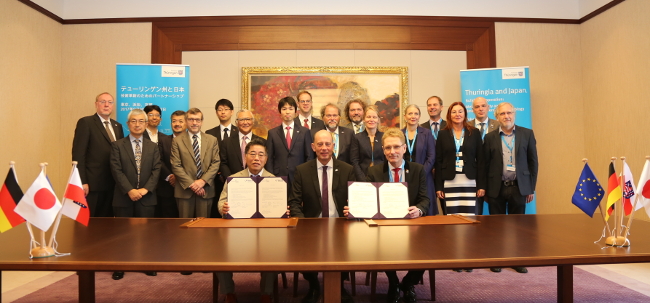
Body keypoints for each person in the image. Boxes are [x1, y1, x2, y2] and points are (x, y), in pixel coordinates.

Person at [346, 127, 428, 303]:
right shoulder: (374, 171)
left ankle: (408, 283)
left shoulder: (417, 170)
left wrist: (418, 210)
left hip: (411, 225)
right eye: (388, 148)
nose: (393, 152)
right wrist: (353, 208)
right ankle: (393, 282)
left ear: (404, 148)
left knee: (427, 251)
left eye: (396, 147)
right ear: (383, 150)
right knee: (382, 247)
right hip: (383, 227)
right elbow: (366, 198)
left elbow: (425, 199)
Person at [289, 130, 356, 303]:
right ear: (313, 147)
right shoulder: (302, 171)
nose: (324, 148)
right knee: (304, 242)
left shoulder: (348, 170)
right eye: (320, 144)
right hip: (311, 225)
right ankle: (313, 285)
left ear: (333, 146)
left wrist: (353, 211)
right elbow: (294, 202)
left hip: (341, 225)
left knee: (347, 242)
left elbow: (355, 200)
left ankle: (340, 286)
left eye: (328, 144)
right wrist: (303, 225)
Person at [217, 138, 279, 303]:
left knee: (273, 252)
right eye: (252, 154)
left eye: (261, 154)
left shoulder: (274, 181)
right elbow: (221, 201)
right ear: (245, 156)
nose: (256, 158)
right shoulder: (234, 179)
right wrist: (223, 208)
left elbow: (279, 210)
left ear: (266, 158)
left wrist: (282, 211)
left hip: (265, 234)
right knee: (218, 253)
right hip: (238, 231)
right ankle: (229, 292)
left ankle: (266, 293)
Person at [484, 102, 538, 274]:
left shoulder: (527, 134)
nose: (506, 116)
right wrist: (485, 188)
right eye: (502, 114)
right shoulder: (490, 137)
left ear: (514, 114)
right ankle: (498, 259)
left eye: (509, 113)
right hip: (496, 188)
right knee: (496, 227)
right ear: (497, 117)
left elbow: (533, 162)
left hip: (519, 187)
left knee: (518, 226)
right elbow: (485, 165)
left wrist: (531, 188)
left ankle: (517, 260)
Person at [109, 109, 161, 280]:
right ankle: (120, 266)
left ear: (146, 124)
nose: (137, 124)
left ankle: (146, 264)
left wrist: (145, 190)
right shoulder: (117, 145)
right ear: (128, 124)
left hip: (146, 197)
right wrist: (130, 190)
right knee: (122, 234)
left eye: (141, 121)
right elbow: (116, 170)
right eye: (133, 121)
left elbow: (156, 170)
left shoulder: (153, 147)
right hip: (124, 197)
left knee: (146, 234)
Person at [434, 102, 486, 270]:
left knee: (469, 220)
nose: (457, 114)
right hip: (450, 182)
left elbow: (482, 161)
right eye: (454, 112)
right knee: (452, 220)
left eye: (460, 111)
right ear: (449, 115)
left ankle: (469, 257)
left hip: (470, 181)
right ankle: (455, 257)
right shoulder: (443, 134)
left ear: (465, 114)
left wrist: (481, 185)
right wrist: (439, 186)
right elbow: (439, 161)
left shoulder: (474, 133)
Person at [72, 92, 125, 217]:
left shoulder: (118, 126)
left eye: (110, 102)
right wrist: (82, 181)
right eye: (102, 102)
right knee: (90, 221)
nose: (106, 105)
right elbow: (78, 154)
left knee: (108, 224)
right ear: (96, 104)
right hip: (93, 184)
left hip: (113, 183)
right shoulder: (86, 122)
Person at [171, 108, 221, 218]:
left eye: (197, 120)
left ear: (202, 122)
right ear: (186, 121)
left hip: (206, 190)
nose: (194, 123)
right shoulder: (177, 141)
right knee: (184, 227)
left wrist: (202, 181)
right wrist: (192, 184)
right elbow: (175, 165)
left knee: (203, 228)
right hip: (185, 191)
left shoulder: (212, 140)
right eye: (191, 119)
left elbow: (216, 163)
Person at [265, 96, 314, 193]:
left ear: (296, 112)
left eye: (291, 109)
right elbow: (269, 157)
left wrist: (306, 175)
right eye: (284, 109)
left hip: (299, 176)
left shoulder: (305, 132)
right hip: (278, 176)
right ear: (280, 112)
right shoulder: (272, 133)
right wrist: (271, 176)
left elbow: (309, 156)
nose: (287, 112)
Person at [402, 104, 438, 215]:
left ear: (419, 116)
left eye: (416, 113)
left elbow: (431, 157)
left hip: (424, 177)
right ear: (405, 116)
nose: (413, 116)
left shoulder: (426, 133)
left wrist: (420, 173)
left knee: (425, 210)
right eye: (410, 113)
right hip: (403, 177)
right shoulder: (400, 134)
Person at [205, 98, 237, 218]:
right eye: (220, 110)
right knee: (216, 210)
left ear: (232, 112)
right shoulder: (209, 133)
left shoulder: (238, 131)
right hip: (215, 178)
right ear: (216, 112)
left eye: (226, 109)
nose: (223, 112)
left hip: (234, 176)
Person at [155, 110, 186, 218]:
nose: (177, 124)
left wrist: (180, 177)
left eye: (181, 121)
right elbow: (159, 160)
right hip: (167, 189)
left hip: (186, 188)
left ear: (186, 122)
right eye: (174, 121)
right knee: (167, 225)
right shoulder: (163, 140)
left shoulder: (192, 141)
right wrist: (170, 176)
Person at [220, 109, 264, 178]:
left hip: (257, 181)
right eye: (241, 120)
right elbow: (223, 164)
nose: (245, 122)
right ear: (236, 122)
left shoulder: (262, 142)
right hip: (233, 182)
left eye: (248, 119)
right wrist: (231, 179)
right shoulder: (226, 142)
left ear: (253, 122)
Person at [350, 105, 385, 181]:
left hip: (382, 176)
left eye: (374, 117)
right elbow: (354, 161)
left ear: (378, 120)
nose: (371, 119)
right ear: (364, 119)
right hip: (363, 177)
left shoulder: (384, 137)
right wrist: (362, 179)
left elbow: (387, 159)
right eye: (368, 117)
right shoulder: (357, 137)